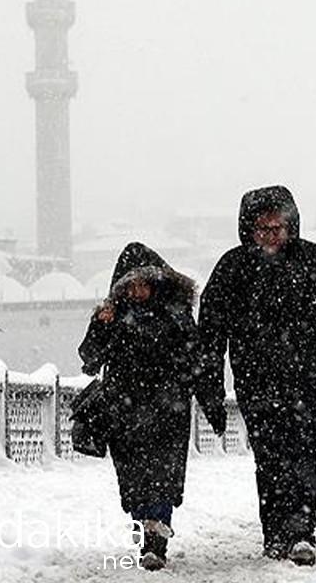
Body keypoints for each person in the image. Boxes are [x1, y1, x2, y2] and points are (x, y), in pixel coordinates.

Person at [197, 186, 316, 566]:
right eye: (263, 228)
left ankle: (300, 532)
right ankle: (275, 533)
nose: (271, 235)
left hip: (307, 379)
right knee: (269, 456)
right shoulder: (232, 269)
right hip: (255, 381)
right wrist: (209, 385)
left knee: (300, 453)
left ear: (291, 226)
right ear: (249, 229)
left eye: (278, 227)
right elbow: (210, 333)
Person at [78, 242, 227, 571]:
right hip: (124, 412)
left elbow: (198, 363)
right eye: (131, 285)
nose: (138, 291)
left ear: (158, 282)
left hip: (167, 411)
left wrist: (213, 404)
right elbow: (89, 360)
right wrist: (101, 325)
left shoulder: (176, 317)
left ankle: (155, 540)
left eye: (144, 283)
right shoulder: (113, 317)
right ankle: (146, 526)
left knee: (162, 475)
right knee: (133, 479)